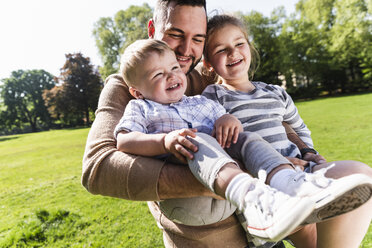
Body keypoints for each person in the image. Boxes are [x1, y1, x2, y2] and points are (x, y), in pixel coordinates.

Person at [81, 0, 372, 247]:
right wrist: (236, 178)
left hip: (273, 184)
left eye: (197, 39)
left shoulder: (209, 79)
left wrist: (300, 152)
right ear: (153, 29)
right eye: (175, 34)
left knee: (360, 176)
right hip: (208, 225)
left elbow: (266, 112)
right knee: (203, 143)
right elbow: (98, 168)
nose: (185, 50)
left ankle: (293, 190)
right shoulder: (129, 86)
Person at [200, 13, 372, 247]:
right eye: (222, 49)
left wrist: (309, 152)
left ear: (249, 46)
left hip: (303, 172)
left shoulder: (275, 92)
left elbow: (299, 129)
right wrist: (278, 164)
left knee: (362, 176)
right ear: (208, 63)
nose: (233, 53)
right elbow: (217, 149)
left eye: (239, 43)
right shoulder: (213, 97)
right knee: (307, 223)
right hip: (267, 186)